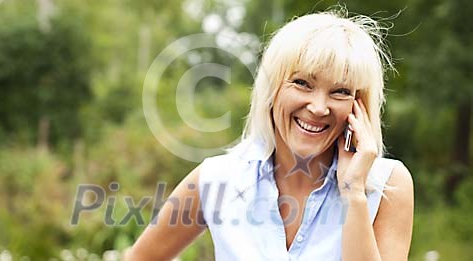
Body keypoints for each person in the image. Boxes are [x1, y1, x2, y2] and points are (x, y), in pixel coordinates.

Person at [126, 7, 414, 261]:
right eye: (302, 83)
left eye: (340, 91)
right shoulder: (217, 178)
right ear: (272, 89)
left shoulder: (388, 185)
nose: (318, 107)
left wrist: (354, 194)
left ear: (359, 105)